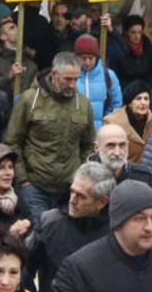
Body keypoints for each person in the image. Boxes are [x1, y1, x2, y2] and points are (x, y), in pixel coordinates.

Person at [5, 52, 95, 218]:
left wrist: (80, 174)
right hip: (35, 186)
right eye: (68, 79)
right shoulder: (29, 100)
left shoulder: (83, 104)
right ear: (54, 74)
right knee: (39, 236)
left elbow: (88, 145)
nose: (73, 85)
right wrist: (23, 179)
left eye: (76, 79)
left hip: (70, 189)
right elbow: (12, 141)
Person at [28, 162, 114, 292]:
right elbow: (25, 266)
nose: (72, 200)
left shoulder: (115, 231)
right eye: (72, 191)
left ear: (102, 202)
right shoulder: (49, 222)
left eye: (81, 196)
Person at [73, 35, 124, 131]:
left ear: (97, 57)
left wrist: (108, 123)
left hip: (101, 132)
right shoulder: (71, 75)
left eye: (91, 58)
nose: (87, 62)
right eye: (83, 58)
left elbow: (117, 104)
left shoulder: (108, 75)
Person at [107, 14, 152, 96]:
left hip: (146, 91)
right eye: (133, 32)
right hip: (124, 92)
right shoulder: (118, 48)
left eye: (140, 32)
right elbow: (114, 75)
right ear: (126, 32)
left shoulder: (147, 46)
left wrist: (147, 87)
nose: (137, 36)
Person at [105, 83, 152, 164]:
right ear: (129, 103)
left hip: (148, 170)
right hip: (122, 170)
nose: (143, 103)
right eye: (138, 99)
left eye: (146, 99)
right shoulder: (112, 121)